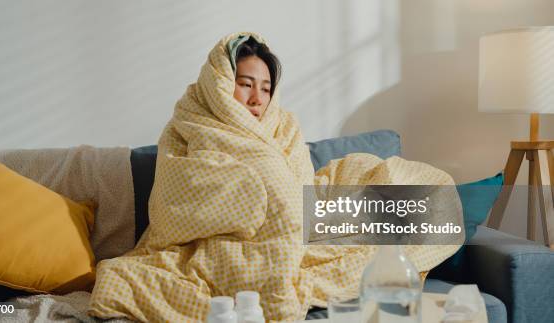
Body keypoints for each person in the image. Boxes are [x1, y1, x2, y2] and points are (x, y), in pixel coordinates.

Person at [88, 32, 462, 322]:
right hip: (218, 243)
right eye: (246, 83)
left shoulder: (285, 127)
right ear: (219, 83)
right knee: (118, 278)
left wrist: (282, 199)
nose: (256, 98)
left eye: (266, 89)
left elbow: (299, 190)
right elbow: (173, 203)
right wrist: (252, 195)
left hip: (302, 222)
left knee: (429, 201)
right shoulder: (187, 126)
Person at [231, 37, 281, 119]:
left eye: (265, 89)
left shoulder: (287, 129)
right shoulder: (202, 131)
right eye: (247, 84)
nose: (257, 100)